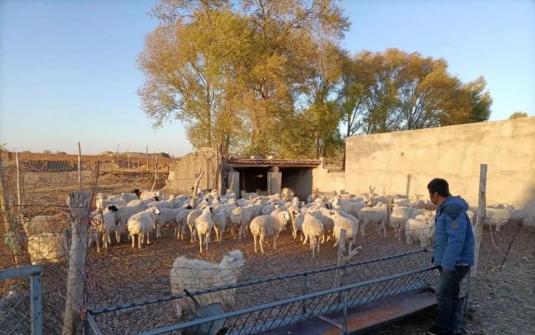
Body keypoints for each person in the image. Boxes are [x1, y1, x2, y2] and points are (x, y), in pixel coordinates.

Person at [427, 178, 475, 335]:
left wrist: (447, 265)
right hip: (452, 261)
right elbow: (445, 237)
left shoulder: (452, 210)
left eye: (430, 194)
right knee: (452, 293)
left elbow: (456, 240)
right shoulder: (447, 209)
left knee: (442, 294)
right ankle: (455, 327)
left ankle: (443, 328)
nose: (430, 198)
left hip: (455, 263)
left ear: (435, 194)